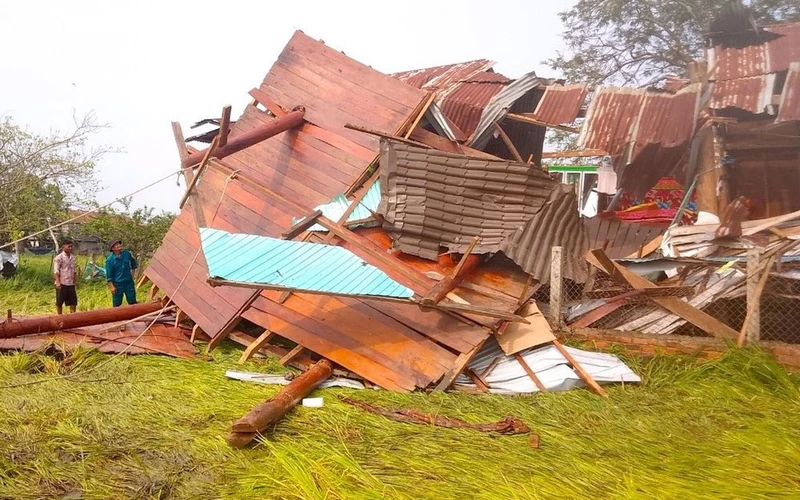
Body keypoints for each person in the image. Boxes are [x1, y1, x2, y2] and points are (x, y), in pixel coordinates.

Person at [105, 239, 138, 307]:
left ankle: (135, 316)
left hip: (128, 282)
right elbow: (109, 275)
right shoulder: (109, 260)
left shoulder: (127, 254)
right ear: (112, 248)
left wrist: (133, 273)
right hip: (117, 284)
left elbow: (133, 263)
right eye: (116, 245)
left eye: (119, 244)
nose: (119, 245)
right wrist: (112, 287)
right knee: (117, 303)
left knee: (132, 301)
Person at [54, 239, 78, 314]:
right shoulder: (59, 257)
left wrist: (75, 280)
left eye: (71, 247)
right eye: (69, 246)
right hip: (62, 283)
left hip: (70, 283)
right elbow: (56, 271)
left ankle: (72, 316)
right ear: (63, 246)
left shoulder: (72, 257)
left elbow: (74, 270)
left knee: (73, 301)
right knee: (59, 301)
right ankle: (59, 316)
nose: (70, 248)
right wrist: (58, 282)